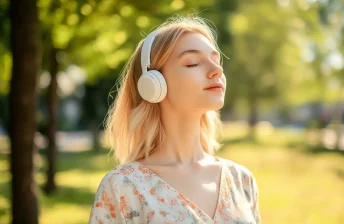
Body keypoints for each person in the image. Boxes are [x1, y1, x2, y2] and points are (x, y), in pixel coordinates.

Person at [89, 15, 261, 224]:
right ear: (154, 84)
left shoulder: (241, 180)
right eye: (193, 63)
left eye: (216, 61)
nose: (217, 70)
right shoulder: (124, 187)